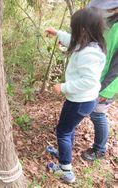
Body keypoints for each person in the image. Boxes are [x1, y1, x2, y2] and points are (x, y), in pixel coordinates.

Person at [45, 7, 106, 183]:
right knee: (67, 129)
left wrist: (64, 86)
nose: (72, 32)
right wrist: (56, 33)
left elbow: (89, 81)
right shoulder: (91, 44)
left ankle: (66, 171)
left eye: (74, 28)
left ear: (83, 30)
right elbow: (71, 40)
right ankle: (65, 152)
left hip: (80, 101)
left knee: (63, 131)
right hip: (81, 100)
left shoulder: (89, 53)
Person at [82, 0, 118, 161]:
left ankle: (99, 149)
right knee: (86, 107)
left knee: (98, 115)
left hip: (105, 85)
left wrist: (103, 90)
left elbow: (116, 69)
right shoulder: (108, 22)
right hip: (94, 77)